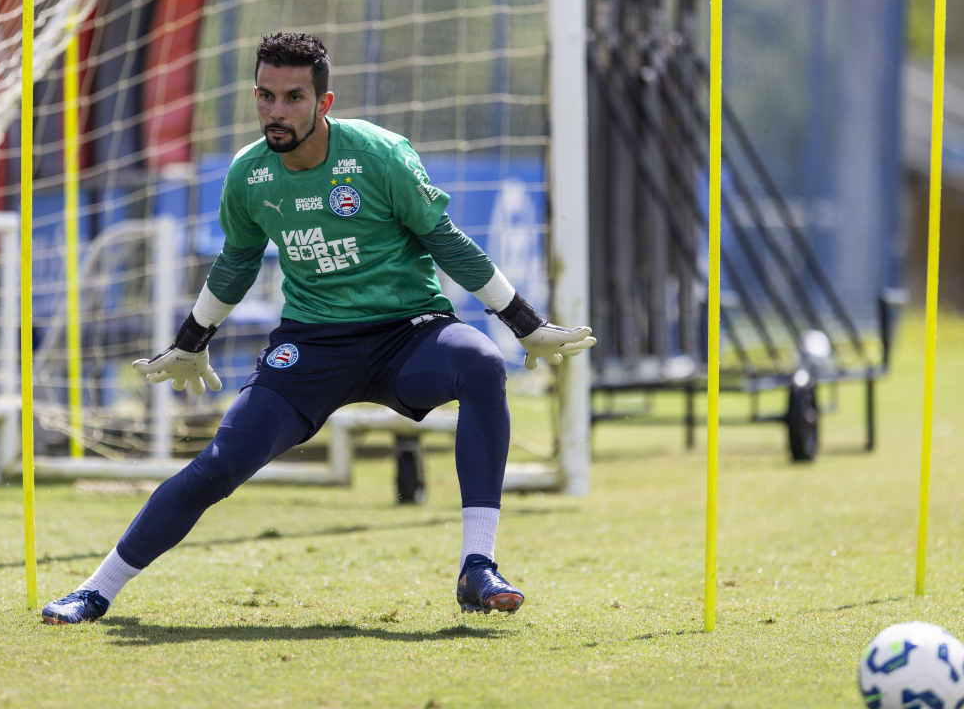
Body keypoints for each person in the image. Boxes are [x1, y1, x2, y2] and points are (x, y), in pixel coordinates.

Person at [42, 31, 596, 624]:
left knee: (482, 364)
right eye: (265, 96)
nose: (275, 112)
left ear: (323, 103)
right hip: (311, 344)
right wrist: (189, 342)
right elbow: (236, 262)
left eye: (292, 98)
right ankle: (96, 590)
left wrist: (525, 324)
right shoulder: (250, 175)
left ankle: (477, 567)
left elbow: (445, 241)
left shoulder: (380, 155)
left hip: (409, 333)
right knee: (222, 464)